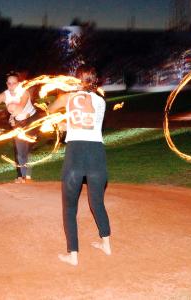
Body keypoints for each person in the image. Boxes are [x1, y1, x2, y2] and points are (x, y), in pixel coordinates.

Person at [48, 66, 111, 266]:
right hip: (96, 155)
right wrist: (68, 125)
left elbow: (49, 111)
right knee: (97, 203)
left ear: (77, 80)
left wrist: (60, 124)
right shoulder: (101, 101)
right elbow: (89, 123)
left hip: (75, 154)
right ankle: (106, 245)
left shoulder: (67, 98)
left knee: (69, 208)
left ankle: (73, 255)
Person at [0, 71, 38, 183]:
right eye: (9, 83)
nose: (11, 86)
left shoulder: (24, 93)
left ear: (18, 84)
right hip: (17, 121)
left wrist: (12, 117)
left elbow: (21, 107)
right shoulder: (4, 95)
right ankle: (23, 176)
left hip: (31, 120)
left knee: (27, 148)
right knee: (20, 150)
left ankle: (24, 175)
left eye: (14, 83)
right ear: (6, 84)